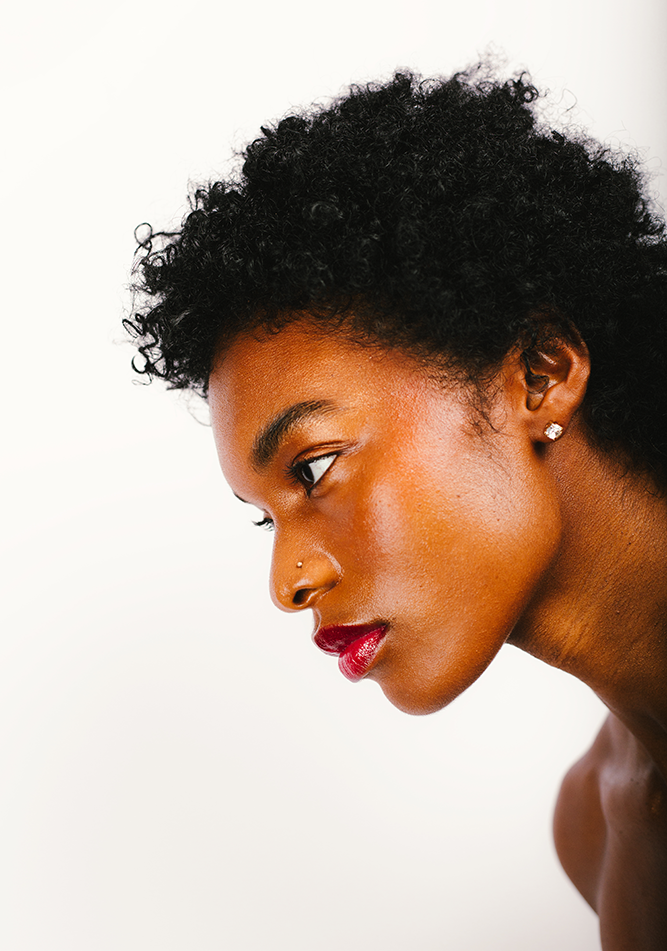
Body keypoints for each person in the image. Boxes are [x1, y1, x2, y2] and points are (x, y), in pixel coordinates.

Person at [124, 66, 667, 948]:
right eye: (266, 516)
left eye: (314, 469)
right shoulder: (596, 831)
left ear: (539, 376)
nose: (288, 581)